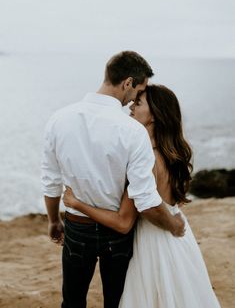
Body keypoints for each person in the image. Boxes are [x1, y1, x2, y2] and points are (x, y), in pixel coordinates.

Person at [41, 51, 185, 308]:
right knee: (117, 302)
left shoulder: (58, 119)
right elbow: (145, 198)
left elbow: (51, 181)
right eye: (139, 89)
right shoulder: (132, 131)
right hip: (117, 233)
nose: (135, 100)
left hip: (76, 226)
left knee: (72, 301)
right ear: (128, 83)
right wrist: (173, 224)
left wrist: (53, 220)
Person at [63, 84, 221, 308]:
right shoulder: (171, 154)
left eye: (138, 103)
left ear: (154, 115)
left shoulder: (146, 160)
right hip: (179, 242)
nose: (130, 107)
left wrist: (76, 203)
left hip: (152, 243)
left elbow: (123, 222)